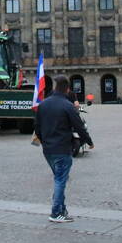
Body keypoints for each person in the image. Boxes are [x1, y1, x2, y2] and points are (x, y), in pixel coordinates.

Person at [32, 76, 93, 223]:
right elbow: (79, 126)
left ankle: (62, 209)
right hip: (62, 148)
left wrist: (44, 141)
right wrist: (88, 141)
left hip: (48, 150)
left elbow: (37, 127)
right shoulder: (67, 105)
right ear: (67, 89)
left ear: (55, 87)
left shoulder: (43, 104)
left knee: (59, 178)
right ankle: (55, 213)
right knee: (60, 180)